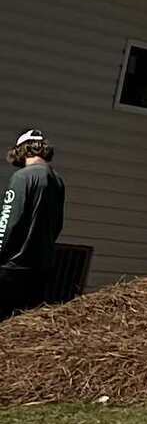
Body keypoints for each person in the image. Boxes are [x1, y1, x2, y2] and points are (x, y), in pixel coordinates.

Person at [0, 132, 66, 314]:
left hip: (12, 268)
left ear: (21, 150)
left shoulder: (22, 177)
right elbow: (57, 224)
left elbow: (8, 223)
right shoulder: (57, 181)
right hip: (41, 268)